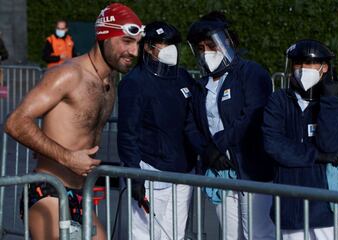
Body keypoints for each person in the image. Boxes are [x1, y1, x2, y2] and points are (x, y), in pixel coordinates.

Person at [4, 3, 143, 239]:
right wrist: (67, 157)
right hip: (49, 190)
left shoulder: (109, 84)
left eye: (138, 43)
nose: (134, 51)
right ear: (103, 36)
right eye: (126, 41)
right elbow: (15, 122)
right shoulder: (69, 74)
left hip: (82, 194)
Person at [187, 11, 275, 240]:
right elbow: (191, 124)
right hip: (220, 171)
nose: (206, 52)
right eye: (201, 47)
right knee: (229, 235)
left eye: (211, 45)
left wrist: (218, 144)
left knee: (257, 234)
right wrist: (207, 151)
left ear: (228, 42)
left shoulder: (252, 73)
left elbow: (251, 116)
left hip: (252, 170)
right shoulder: (201, 84)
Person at [117, 21, 203, 240]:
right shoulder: (135, 82)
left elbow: (194, 121)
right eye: (164, 44)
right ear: (148, 47)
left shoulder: (182, 77)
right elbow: (128, 134)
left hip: (184, 173)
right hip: (151, 172)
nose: (170, 48)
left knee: (174, 234)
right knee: (145, 235)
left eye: (173, 43)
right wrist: (135, 176)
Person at [262, 39, 338, 239]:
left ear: (324, 68)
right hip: (291, 207)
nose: (303, 69)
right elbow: (273, 143)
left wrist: (329, 101)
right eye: (298, 63)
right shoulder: (279, 100)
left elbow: (330, 144)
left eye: (309, 63)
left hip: (329, 209)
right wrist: (315, 155)